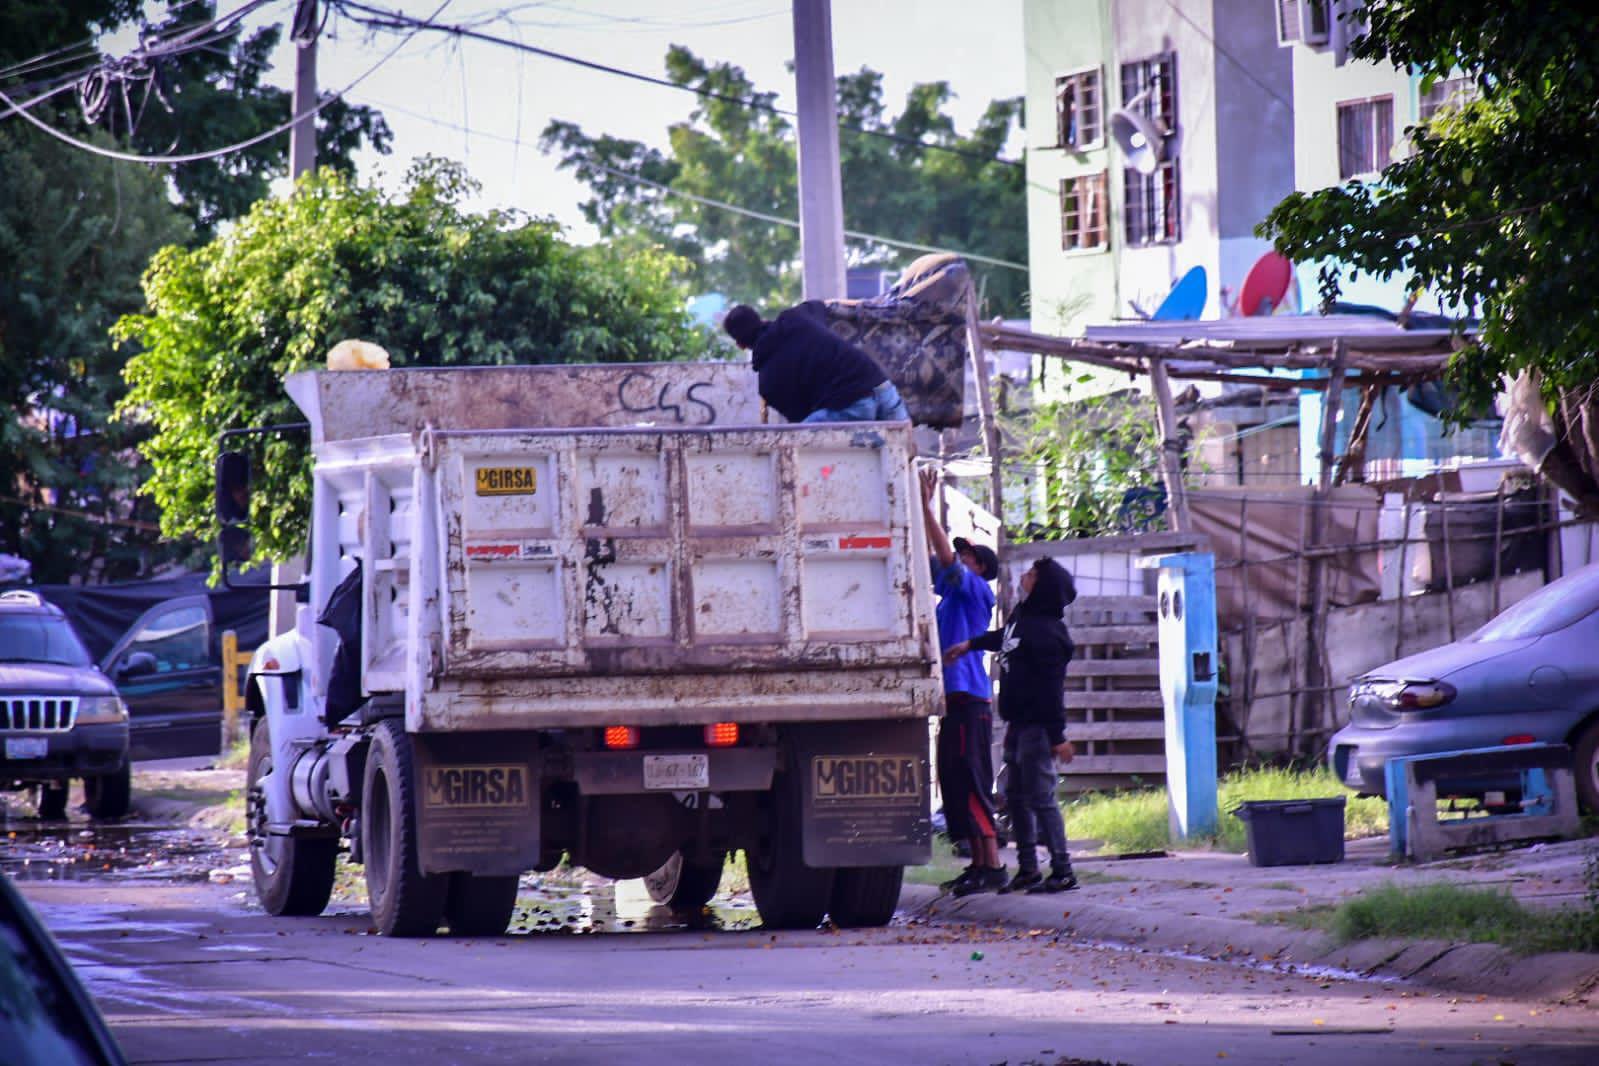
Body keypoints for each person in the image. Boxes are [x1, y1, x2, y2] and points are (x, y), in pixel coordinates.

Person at [943, 557, 1080, 894]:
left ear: (1044, 586)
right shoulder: (1022, 618)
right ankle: (1029, 869)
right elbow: (1005, 638)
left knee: (1041, 798)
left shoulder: (1049, 633)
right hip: (1017, 724)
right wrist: (971, 644)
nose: (1025, 576)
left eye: (1032, 574)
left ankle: (1063, 869)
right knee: (1015, 798)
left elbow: (1051, 690)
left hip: (1037, 728)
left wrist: (1058, 736)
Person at [918, 467, 1005, 897]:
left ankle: (992, 865)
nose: (957, 559)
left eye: (966, 556)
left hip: (971, 700)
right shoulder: (949, 597)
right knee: (953, 782)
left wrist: (925, 506)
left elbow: (944, 557)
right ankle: (977, 864)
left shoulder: (974, 590)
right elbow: (926, 558)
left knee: (972, 780)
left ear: (979, 567)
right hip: (954, 701)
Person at [722, 302, 910, 423]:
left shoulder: (768, 383)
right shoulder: (797, 316)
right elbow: (822, 307)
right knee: (903, 464)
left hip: (849, 406)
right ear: (762, 319)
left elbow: (800, 416)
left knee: (801, 442)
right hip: (882, 388)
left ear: (740, 345)